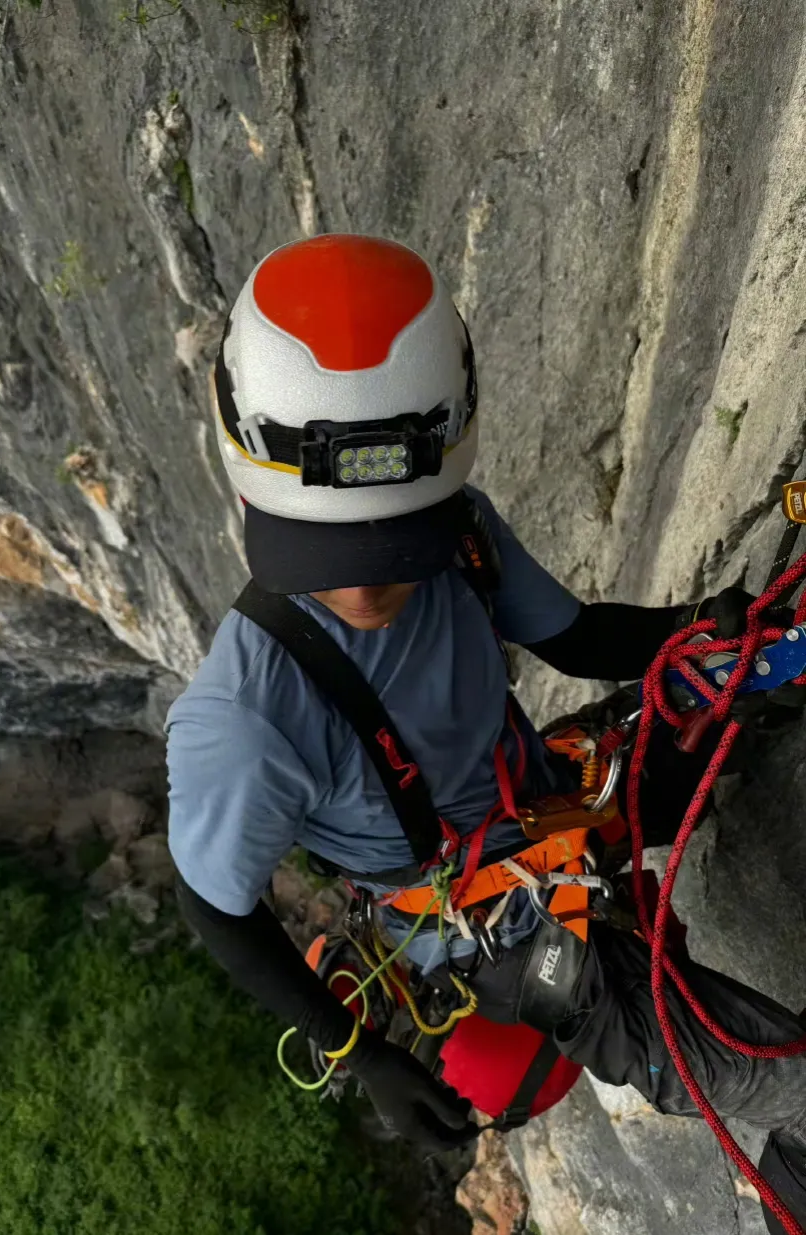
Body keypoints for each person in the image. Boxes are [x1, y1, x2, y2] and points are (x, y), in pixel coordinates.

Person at [165, 233, 806, 1233]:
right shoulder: (245, 719)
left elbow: (583, 636)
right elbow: (218, 909)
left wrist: (695, 633)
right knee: (794, 1078)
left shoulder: (460, 530)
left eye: (395, 540)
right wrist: (362, 1054)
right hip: (498, 931)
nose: (370, 579)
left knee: (751, 680)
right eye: (328, 551)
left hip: (548, 794)